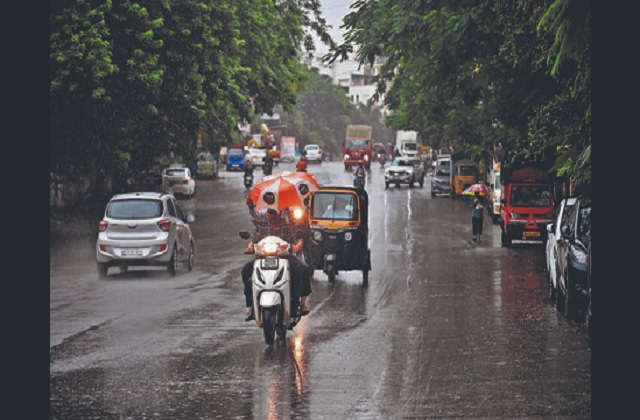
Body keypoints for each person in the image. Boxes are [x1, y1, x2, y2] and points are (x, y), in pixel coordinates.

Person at [241, 200, 313, 321]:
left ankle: (299, 304)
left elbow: (297, 241)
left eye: (274, 213)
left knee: (302, 269)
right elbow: (254, 239)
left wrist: (297, 246)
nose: (272, 216)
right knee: (246, 271)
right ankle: (250, 306)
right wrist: (250, 246)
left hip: (285, 257)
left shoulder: (287, 226)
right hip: (264, 257)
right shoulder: (263, 226)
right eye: (270, 213)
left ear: (279, 213)